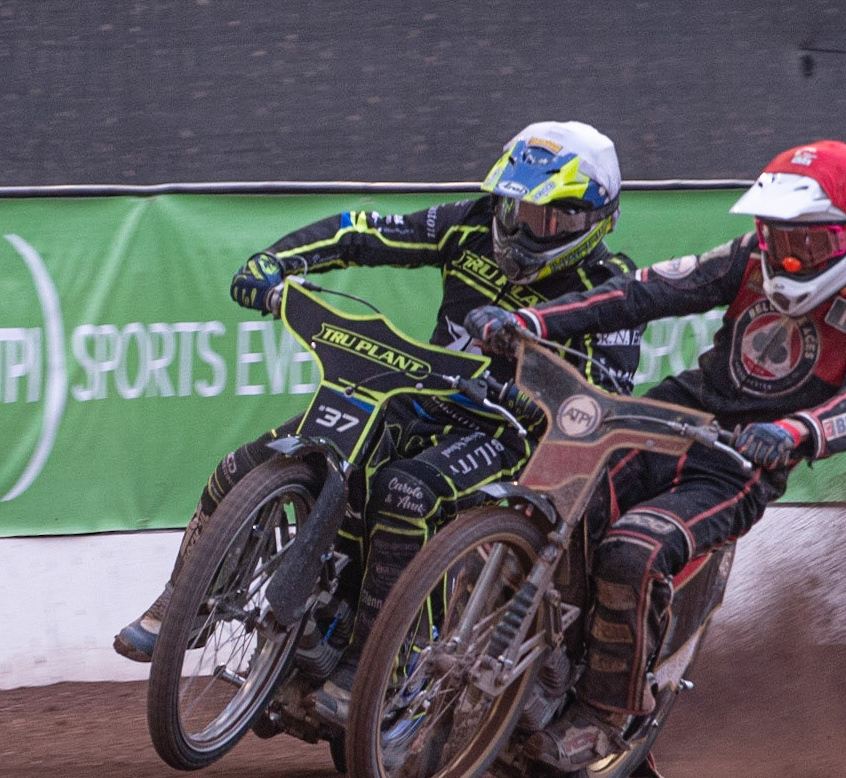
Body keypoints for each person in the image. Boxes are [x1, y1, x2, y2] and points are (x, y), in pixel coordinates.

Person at [115, 121, 644, 726]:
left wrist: (521, 393)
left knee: (406, 491)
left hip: (511, 430)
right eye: (517, 207)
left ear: (592, 220)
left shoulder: (609, 287)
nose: (524, 229)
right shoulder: (471, 223)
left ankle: (378, 667)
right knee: (253, 463)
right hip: (417, 394)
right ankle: (185, 606)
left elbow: (603, 398)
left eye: (548, 219)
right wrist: (275, 263)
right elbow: (360, 234)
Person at [466, 139, 846, 770]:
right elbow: (643, 292)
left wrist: (796, 433)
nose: (786, 255)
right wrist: (536, 324)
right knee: (542, 502)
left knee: (634, 548)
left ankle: (604, 715)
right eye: (775, 235)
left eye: (807, 242)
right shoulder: (747, 259)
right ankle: (512, 657)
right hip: (667, 419)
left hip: (739, 464)